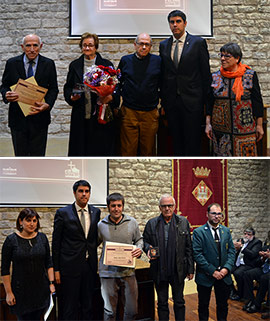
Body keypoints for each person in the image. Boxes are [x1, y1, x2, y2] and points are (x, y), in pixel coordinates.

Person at [159, 10, 212, 156]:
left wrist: (206, 104)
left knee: (192, 142)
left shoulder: (198, 43)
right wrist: (163, 102)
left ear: (185, 23)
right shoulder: (164, 45)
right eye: (172, 22)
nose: (175, 25)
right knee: (176, 142)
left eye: (178, 21)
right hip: (172, 102)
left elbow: (205, 75)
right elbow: (164, 75)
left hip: (192, 102)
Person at [0, 34, 58, 156]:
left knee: (38, 157)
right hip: (18, 118)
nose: (32, 49)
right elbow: (4, 85)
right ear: (22, 47)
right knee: (20, 156)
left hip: (40, 118)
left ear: (41, 46)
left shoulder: (48, 64)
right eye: (28, 45)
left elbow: (53, 89)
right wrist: (6, 94)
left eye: (35, 45)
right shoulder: (11, 63)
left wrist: (47, 104)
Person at [52, 180, 101, 320]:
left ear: (90, 194)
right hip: (69, 267)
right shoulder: (63, 213)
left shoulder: (96, 212)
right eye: (80, 191)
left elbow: (93, 239)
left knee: (88, 304)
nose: (84, 194)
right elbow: (56, 243)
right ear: (74, 193)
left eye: (87, 191)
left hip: (89, 266)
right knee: (70, 306)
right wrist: (56, 269)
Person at [64, 32, 118, 156]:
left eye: (90, 45)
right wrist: (71, 97)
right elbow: (68, 87)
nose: (87, 48)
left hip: (100, 113)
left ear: (96, 47)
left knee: (99, 148)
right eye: (84, 45)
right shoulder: (74, 65)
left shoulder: (106, 65)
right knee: (80, 149)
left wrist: (109, 97)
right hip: (80, 113)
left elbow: (115, 87)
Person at [205, 42, 264, 156]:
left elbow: (257, 101)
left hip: (244, 130)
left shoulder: (249, 76)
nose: (222, 59)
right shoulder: (215, 77)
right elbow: (209, 102)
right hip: (221, 132)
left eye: (227, 56)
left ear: (237, 58)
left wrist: (259, 125)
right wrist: (208, 124)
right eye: (221, 55)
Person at [143, 194, 194, 321]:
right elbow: (144, 241)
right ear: (159, 208)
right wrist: (147, 249)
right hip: (159, 270)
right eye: (164, 206)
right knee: (162, 303)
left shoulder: (183, 222)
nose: (167, 208)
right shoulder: (152, 223)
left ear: (174, 207)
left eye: (170, 205)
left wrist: (190, 269)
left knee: (179, 302)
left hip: (178, 270)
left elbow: (189, 247)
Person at [1, 208, 55, 320]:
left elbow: (48, 262)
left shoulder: (42, 238)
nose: (32, 224)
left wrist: (51, 283)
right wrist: (9, 293)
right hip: (21, 292)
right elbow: (5, 269)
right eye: (28, 220)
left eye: (34, 221)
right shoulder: (11, 240)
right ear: (20, 222)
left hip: (41, 290)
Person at [98, 192, 143, 320]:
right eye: (113, 206)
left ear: (123, 206)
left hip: (128, 273)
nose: (116, 209)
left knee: (132, 310)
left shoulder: (132, 222)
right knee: (109, 312)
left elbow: (139, 240)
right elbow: (92, 244)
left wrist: (139, 249)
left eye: (119, 205)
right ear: (108, 207)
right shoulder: (100, 225)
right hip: (108, 274)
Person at [117, 33, 161, 156]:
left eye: (147, 44)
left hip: (150, 113)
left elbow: (163, 84)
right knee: (127, 149)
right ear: (135, 45)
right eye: (141, 44)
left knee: (148, 150)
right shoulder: (125, 60)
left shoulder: (158, 61)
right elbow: (117, 82)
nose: (144, 47)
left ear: (151, 46)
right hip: (129, 112)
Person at [192, 203, 235, 321]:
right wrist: (213, 271)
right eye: (214, 213)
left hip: (224, 275)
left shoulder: (226, 231)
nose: (217, 216)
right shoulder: (199, 232)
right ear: (207, 214)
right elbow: (197, 254)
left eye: (219, 214)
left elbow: (232, 251)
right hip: (205, 276)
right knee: (203, 306)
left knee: (223, 305)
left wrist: (226, 268)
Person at [230, 227, 262, 301]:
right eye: (245, 234)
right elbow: (235, 253)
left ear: (253, 235)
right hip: (238, 263)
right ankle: (233, 291)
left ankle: (240, 294)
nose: (246, 236)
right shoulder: (240, 240)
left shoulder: (257, 242)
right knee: (226, 271)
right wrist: (235, 249)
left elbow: (253, 254)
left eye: (249, 234)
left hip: (248, 264)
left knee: (238, 273)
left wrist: (241, 247)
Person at [242, 245, 270, 314]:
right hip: (264, 269)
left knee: (264, 278)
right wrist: (262, 258)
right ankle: (250, 299)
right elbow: (257, 263)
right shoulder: (267, 247)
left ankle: (258, 304)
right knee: (247, 274)